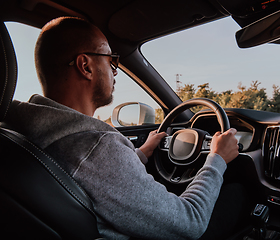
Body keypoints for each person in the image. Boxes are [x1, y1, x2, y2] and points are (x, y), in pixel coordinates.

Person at [3, 17, 244, 240]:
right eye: (110, 60)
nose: (115, 70)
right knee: (238, 193)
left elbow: (90, 178)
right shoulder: (97, 147)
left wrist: (138, 154)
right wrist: (217, 159)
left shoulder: (21, 128)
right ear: (85, 66)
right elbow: (190, 221)